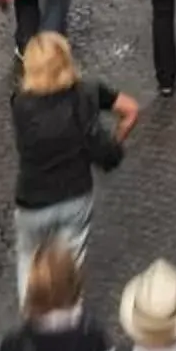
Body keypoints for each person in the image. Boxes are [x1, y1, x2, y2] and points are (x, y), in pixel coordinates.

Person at [10, 32, 138, 299]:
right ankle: (69, 328)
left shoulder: (20, 104)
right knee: (70, 271)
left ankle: (33, 324)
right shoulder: (87, 93)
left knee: (28, 262)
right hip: (75, 195)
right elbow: (130, 109)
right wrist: (114, 141)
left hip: (32, 200)